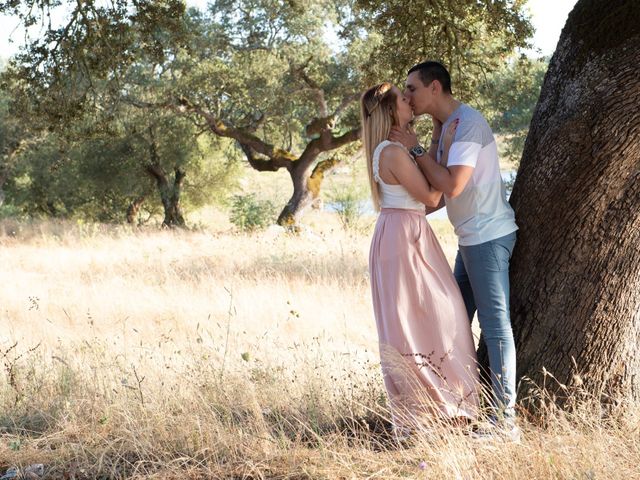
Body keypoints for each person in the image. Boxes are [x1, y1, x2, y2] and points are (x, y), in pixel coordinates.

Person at [389, 61, 520, 440]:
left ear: (433, 88)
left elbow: (452, 184)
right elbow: (436, 197)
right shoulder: (447, 126)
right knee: (452, 320)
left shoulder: (469, 124)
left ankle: (505, 422)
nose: (408, 95)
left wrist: (414, 150)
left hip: (488, 238)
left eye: (411, 88)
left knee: (495, 328)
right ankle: (452, 409)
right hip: (470, 240)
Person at [361, 82, 479, 438]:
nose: (409, 101)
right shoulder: (394, 152)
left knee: (428, 317)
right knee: (429, 319)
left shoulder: (398, 149)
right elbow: (431, 197)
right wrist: (449, 172)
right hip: (403, 237)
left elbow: (428, 198)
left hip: (408, 232)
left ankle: (446, 409)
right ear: (389, 110)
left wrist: (434, 140)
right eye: (402, 97)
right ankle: (437, 410)